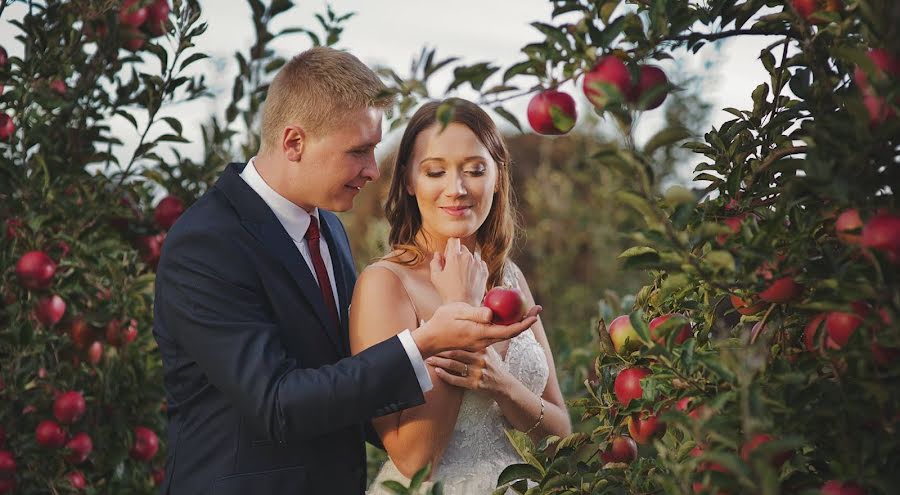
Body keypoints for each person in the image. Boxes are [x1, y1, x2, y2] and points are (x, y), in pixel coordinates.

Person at [152, 48, 539, 495]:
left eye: (374, 149)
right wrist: (426, 340)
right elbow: (277, 404)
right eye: (358, 151)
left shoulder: (328, 228)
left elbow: (347, 379)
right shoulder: (207, 242)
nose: (373, 170)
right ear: (294, 142)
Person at [351, 99, 571, 495]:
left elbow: (561, 434)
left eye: (475, 170)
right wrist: (460, 313)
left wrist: (503, 385)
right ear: (408, 181)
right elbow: (415, 461)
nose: (457, 189)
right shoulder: (384, 284)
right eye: (435, 171)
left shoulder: (510, 276)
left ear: (498, 177)